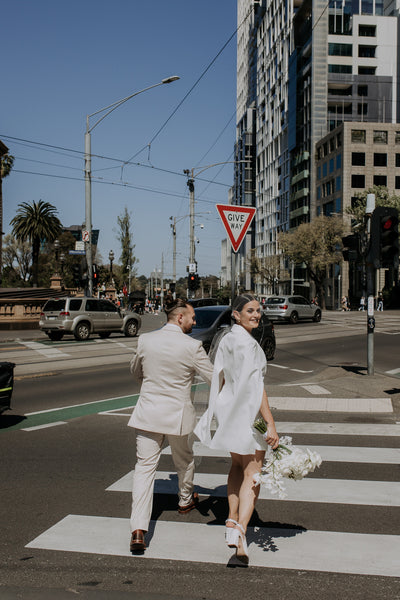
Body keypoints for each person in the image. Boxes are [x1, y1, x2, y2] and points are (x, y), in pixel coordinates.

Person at [194, 294, 279, 564]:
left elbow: (217, 377)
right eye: (250, 311)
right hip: (247, 413)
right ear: (236, 314)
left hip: (229, 411)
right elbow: (258, 389)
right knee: (253, 474)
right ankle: (241, 535)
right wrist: (270, 424)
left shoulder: (227, 339)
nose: (256, 315)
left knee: (237, 467)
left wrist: (218, 411)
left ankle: (231, 519)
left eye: (258, 311)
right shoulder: (250, 346)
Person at [128, 297, 213, 553]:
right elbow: (213, 378)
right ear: (180, 317)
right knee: (184, 460)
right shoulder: (192, 346)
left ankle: (138, 530)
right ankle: (185, 500)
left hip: (148, 413)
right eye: (192, 317)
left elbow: (135, 371)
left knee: (144, 469)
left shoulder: (145, 340)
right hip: (178, 415)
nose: (194, 321)